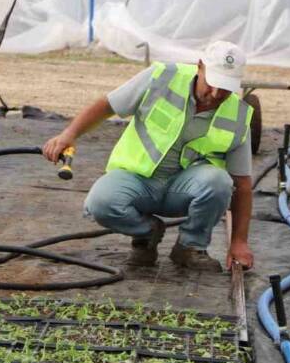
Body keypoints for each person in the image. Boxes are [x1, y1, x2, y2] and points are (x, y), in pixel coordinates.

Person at [42, 41, 254, 271]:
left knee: (220, 182)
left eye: (225, 89)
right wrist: (69, 134)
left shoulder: (238, 116)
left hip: (184, 189)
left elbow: (242, 184)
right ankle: (147, 233)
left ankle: (190, 247)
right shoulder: (162, 77)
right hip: (138, 179)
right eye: (212, 84)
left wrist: (239, 242)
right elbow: (108, 105)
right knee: (100, 203)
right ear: (199, 66)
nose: (215, 94)